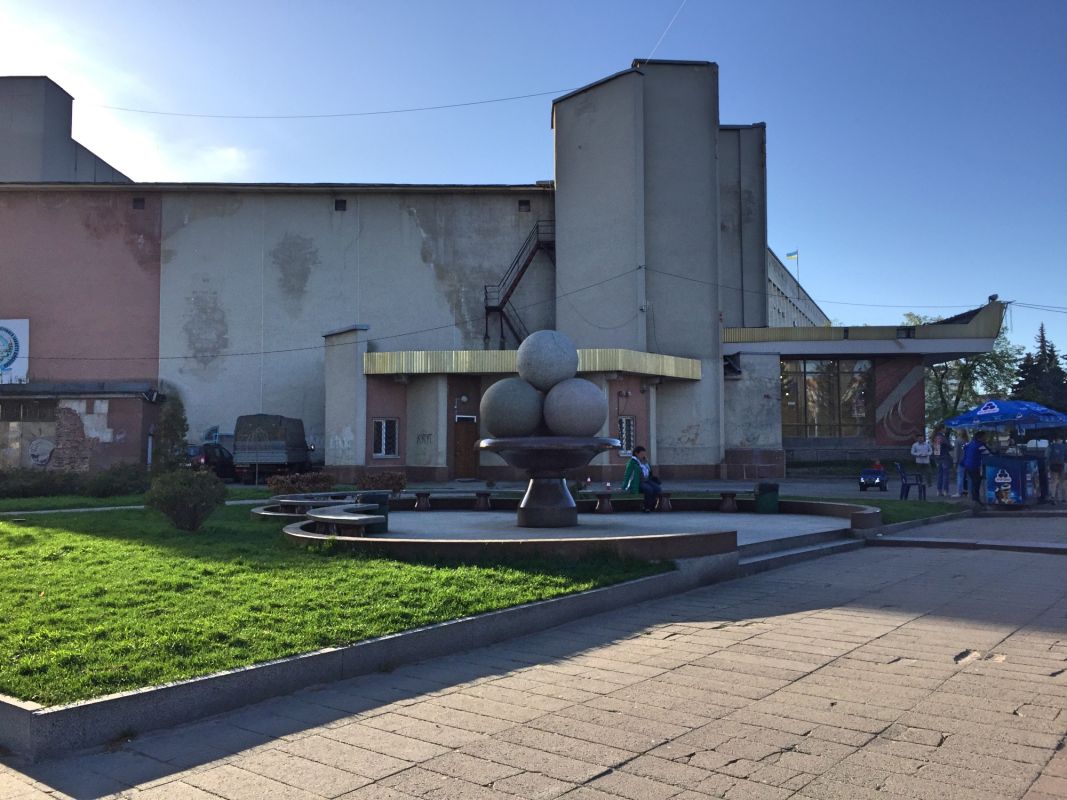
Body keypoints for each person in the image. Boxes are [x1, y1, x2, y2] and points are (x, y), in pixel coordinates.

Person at [622, 445, 662, 512]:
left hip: (647, 480)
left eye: (644, 454)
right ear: (636, 453)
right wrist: (624, 485)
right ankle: (646, 507)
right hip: (638, 481)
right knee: (649, 489)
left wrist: (646, 463)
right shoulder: (632, 462)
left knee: (657, 488)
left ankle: (652, 506)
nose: (643, 455)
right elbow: (627, 474)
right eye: (642, 454)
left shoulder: (644, 461)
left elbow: (649, 472)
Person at [961, 430, 992, 504]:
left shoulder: (970, 444)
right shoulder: (980, 445)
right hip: (974, 466)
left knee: (974, 482)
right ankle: (976, 500)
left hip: (967, 465)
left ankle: (974, 498)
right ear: (981, 437)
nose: (986, 438)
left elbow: (964, 448)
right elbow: (988, 454)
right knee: (976, 482)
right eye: (985, 437)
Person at [932, 425, 953, 497]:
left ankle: (939, 491)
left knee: (940, 475)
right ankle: (945, 491)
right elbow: (949, 446)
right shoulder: (942, 437)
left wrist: (936, 459)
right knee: (945, 475)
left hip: (939, 458)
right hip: (945, 457)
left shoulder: (936, 437)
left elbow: (936, 450)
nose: (946, 430)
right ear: (942, 429)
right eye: (945, 428)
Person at [1048, 436, 1066, 505]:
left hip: (1053, 466)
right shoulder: (1064, 446)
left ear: (1055, 440)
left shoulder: (1051, 446)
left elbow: (1047, 456)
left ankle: (1053, 497)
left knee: (1054, 482)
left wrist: (1047, 465)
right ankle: (1063, 498)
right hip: (1062, 466)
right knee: (1062, 482)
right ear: (1060, 440)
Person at [952, 429, 969, 497]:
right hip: (967, 460)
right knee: (967, 477)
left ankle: (959, 492)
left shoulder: (957, 440)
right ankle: (967, 491)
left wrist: (955, 462)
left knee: (960, 477)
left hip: (960, 461)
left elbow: (956, 452)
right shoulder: (967, 440)